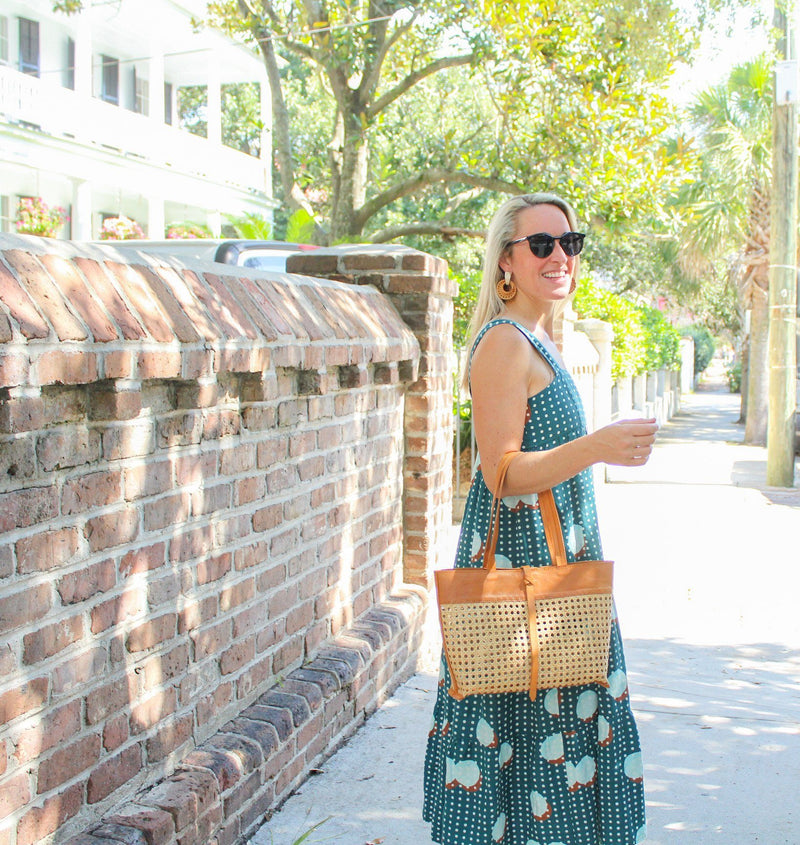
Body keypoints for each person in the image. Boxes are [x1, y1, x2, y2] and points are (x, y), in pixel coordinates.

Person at [423, 193, 656, 845]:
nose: (561, 256)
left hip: (557, 569)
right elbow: (499, 472)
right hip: (523, 573)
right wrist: (599, 446)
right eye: (542, 244)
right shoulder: (502, 343)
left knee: (545, 739)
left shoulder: (540, 337)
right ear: (507, 259)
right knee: (530, 733)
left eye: (570, 243)